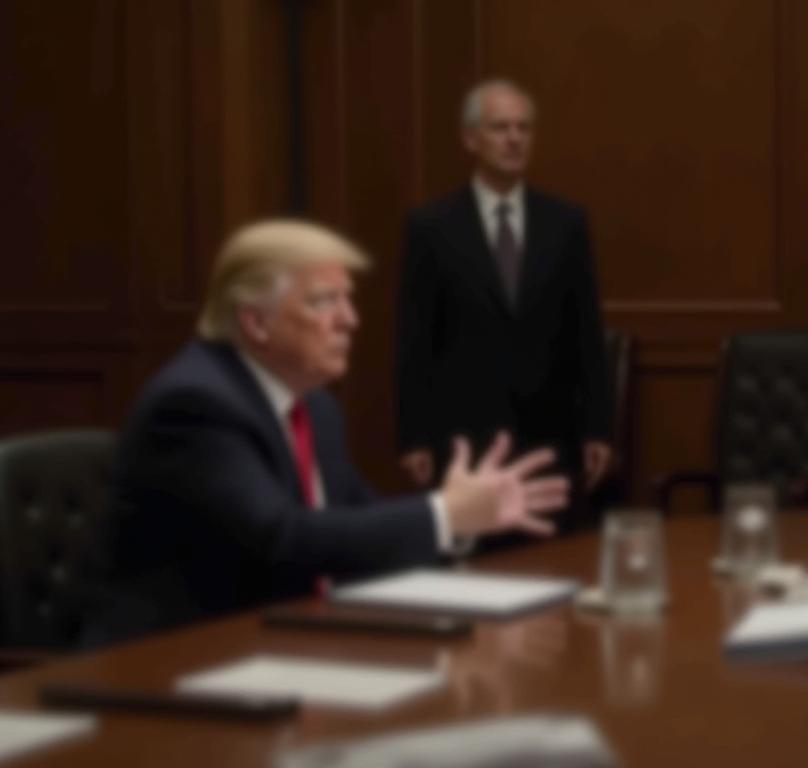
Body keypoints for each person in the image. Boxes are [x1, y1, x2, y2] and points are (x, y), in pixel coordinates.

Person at [87, 220, 569, 645]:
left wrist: (458, 523)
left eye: (348, 299)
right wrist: (443, 514)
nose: (350, 320)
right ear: (256, 322)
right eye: (324, 302)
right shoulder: (195, 406)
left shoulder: (315, 406)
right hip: (172, 662)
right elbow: (281, 539)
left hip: (284, 639)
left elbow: (353, 521)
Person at [395, 78, 611, 539]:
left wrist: (597, 428)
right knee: (474, 564)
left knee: (552, 560)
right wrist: (413, 436)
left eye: (523, 128)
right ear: (470, 138)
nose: (514, 139)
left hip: (550, 434)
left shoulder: (566, 223)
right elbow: (415, 339)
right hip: (465, 438)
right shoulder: (432, 226)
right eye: (500, 128)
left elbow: (587, 333)